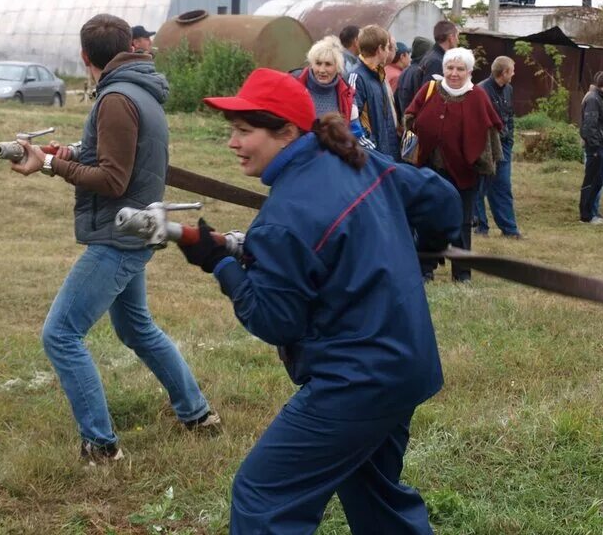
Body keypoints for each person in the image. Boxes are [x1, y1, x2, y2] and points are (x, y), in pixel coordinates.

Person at [177, 67, 461, 534]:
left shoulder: (282, 219)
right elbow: (443, 201)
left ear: (287, 131)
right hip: (407, 363)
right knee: (373, 494)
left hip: (357, 380)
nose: (233, 142)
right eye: (233, 130)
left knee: (264, 497)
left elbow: (275, 320)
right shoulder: (357, 161)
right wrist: (426, 239)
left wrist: (220, 265)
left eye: (245, 131)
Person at [10, 14, 218, 465]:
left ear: (85, 57)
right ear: (128, 46)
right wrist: (64, 153)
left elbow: (113, 178)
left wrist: (48, 166)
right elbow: (116, 154)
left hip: (120, 233)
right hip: (132, 226)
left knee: (61, 333)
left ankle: (102, 448)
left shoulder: (117, 98)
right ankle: (198, 415)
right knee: (135, 328)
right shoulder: (136, 88)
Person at [404, 47, 503, 282]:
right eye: (450, 68)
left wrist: (485, 165)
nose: (454, 73)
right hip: (429, 170)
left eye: (460, 69)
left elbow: (490, 133)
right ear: (443, 69)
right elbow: (410, 115)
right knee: (427, 220)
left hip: (463, 172)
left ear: (469, 71)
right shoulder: (430, 90)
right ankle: (425, 268)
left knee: (461, 222)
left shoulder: (477, 96)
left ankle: (462, 272)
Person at [474, 56, 523, 238]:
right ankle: (480, 226)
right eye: (512, 70)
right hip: (485, 147)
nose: (514, 73)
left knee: (503, 186)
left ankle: (509, 229)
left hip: (504, 145)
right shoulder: (481, 91)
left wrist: (509, 138)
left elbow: (510, 115)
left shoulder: (508, 89)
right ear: (504, 73)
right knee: (480, 186)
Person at [351, 25, 400, 160]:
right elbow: (352, 121)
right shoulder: (357, 77)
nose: (389, 51)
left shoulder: (379, 74)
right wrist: (372, 149)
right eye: (388, 47)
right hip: (374, 158)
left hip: (386, 156)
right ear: (380, 49)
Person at [579, 71, 603, 224]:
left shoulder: (597, 97)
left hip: (600, 145)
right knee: (592, 180)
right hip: (596, 147)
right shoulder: (593, 99)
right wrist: (595, 148)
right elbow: (590, 126)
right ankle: (586, 216)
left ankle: (591, 212)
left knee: (598, 180)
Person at [296, 35, 353, 120]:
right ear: (311, 64)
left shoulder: (346, 93)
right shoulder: (295, 85)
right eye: (318, 63)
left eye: (328, 64)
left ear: (337, 67)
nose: (322, 70)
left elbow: (355, 130)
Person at [407, 20, 459, 98]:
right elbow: (430, 96)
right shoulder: (436, 61)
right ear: (451, 38)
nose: (458, 40)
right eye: (457, 36)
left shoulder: (432, 56)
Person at [395, 36, 434, 119]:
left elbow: (397, 101)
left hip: (406, 121)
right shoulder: (419, 72)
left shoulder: (405, 71)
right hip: (415, 123)